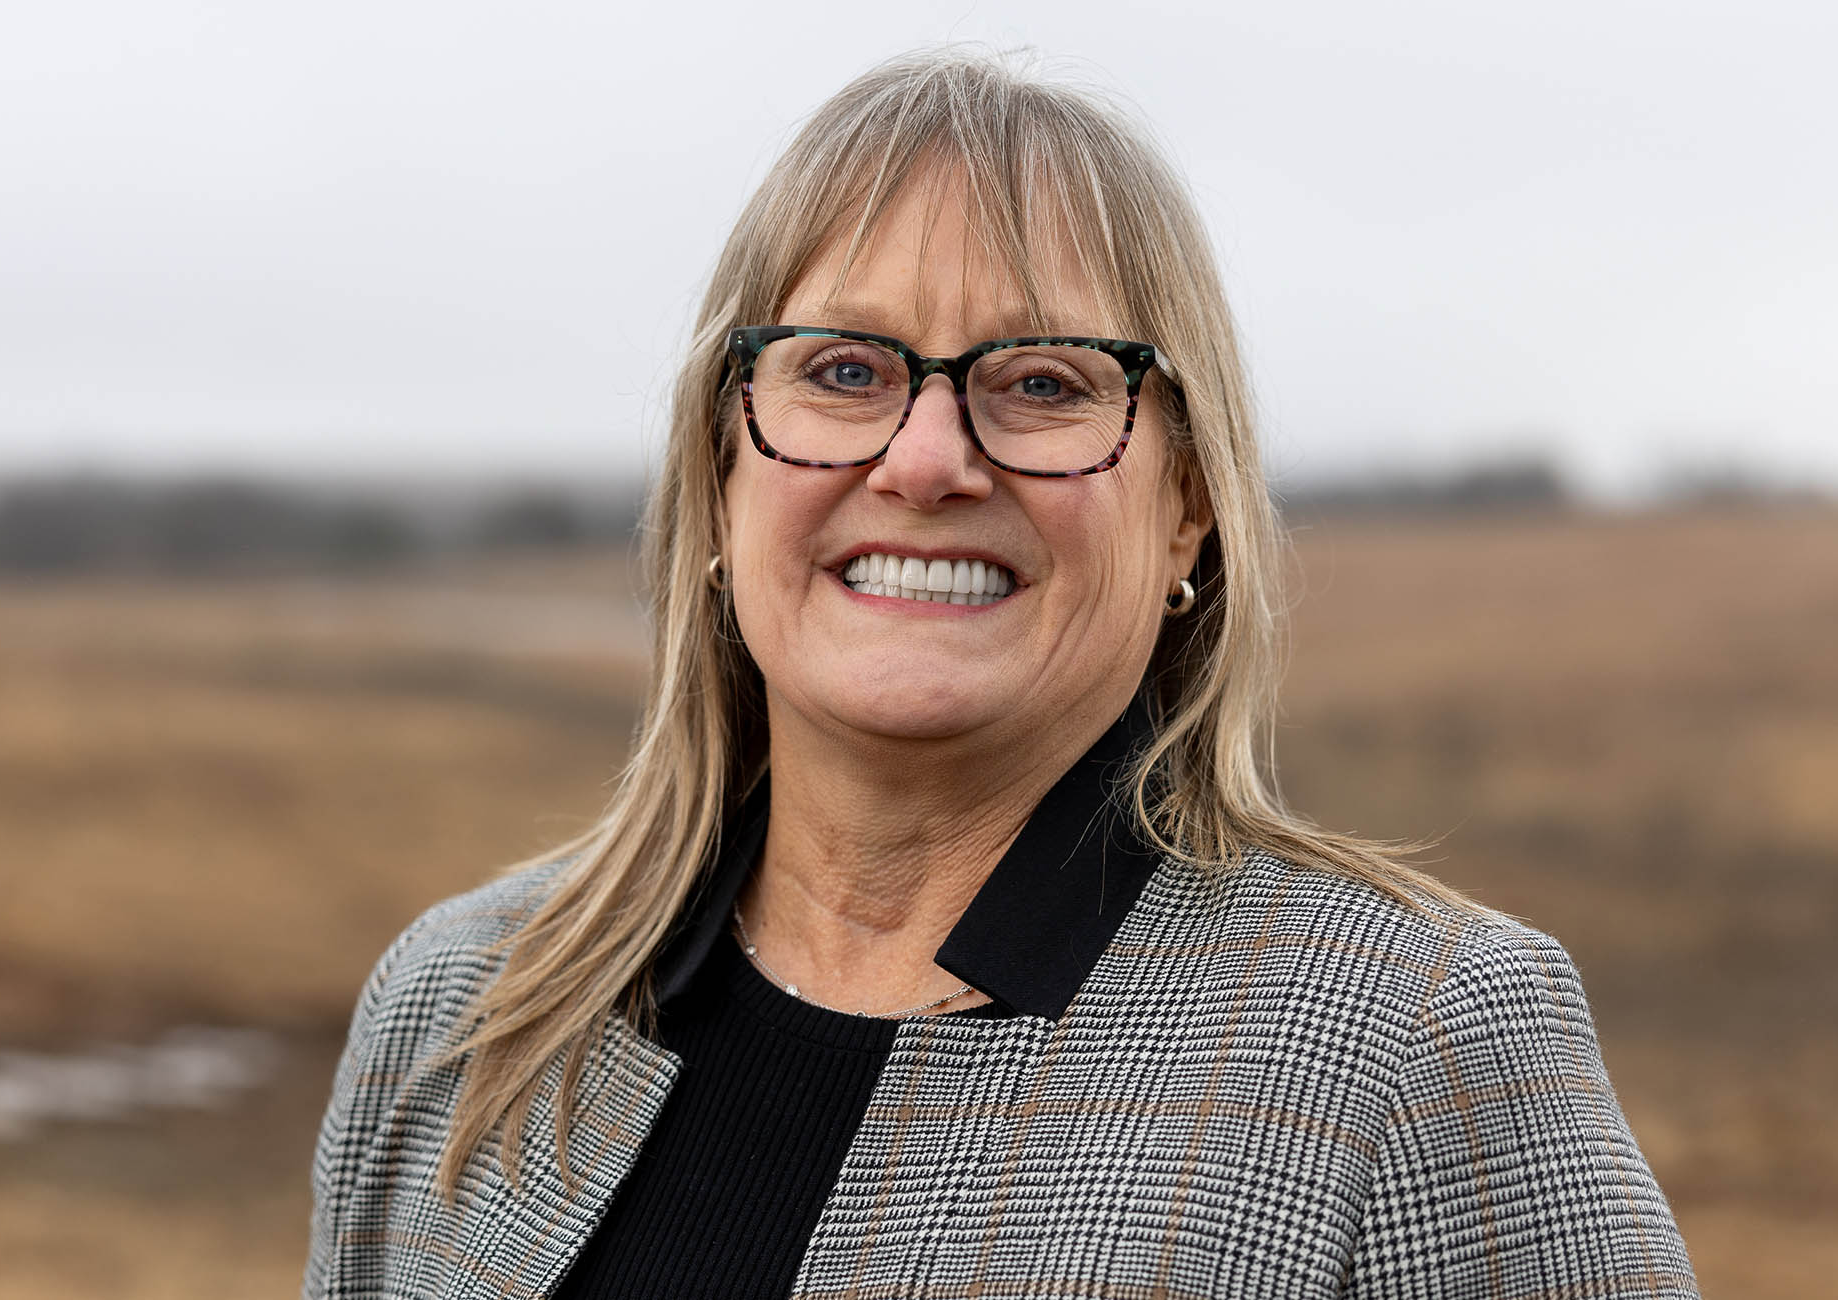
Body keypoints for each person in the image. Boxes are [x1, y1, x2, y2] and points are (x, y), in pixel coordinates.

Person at [307, 48, 1697, 1299]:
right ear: (721, 468)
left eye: (1043, 383)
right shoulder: (465, 1008)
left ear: (1188, 510)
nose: (923, 461)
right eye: (843, 369)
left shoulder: (1417, 1047)